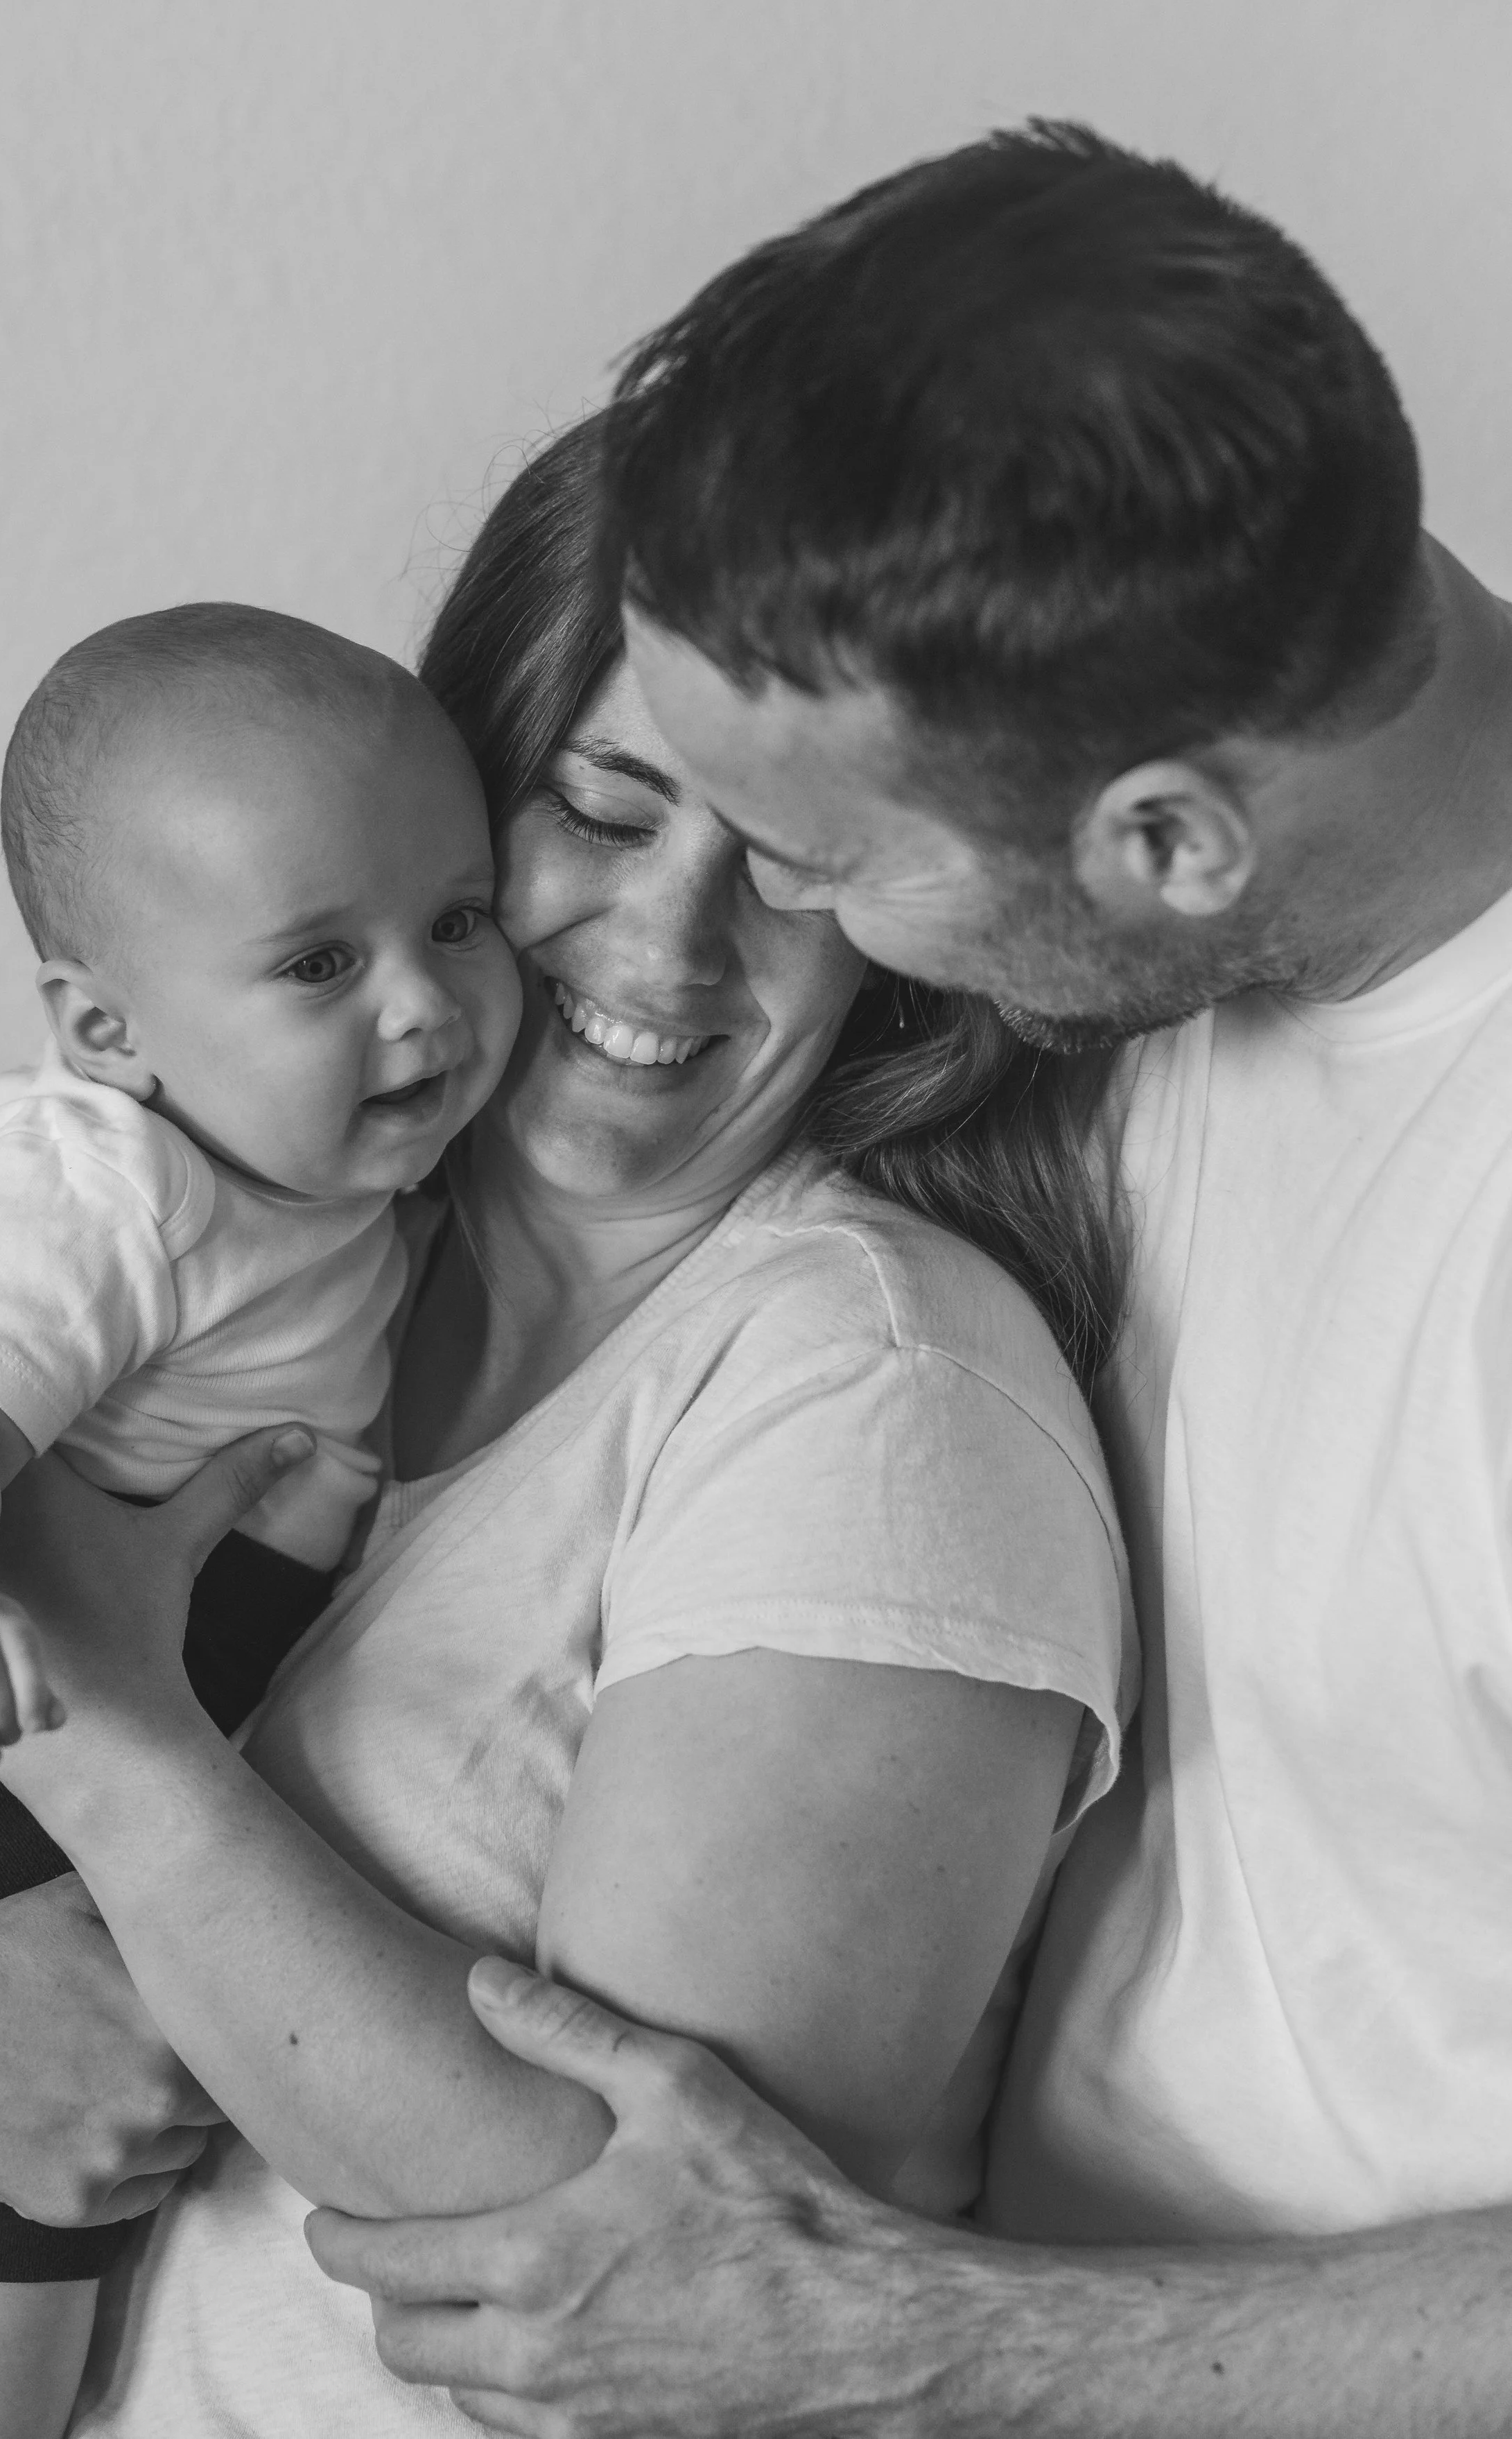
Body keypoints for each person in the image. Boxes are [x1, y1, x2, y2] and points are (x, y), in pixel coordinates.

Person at [301, 124, 1512, 2435]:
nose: (717, 931)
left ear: (1161, 839)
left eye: (802, 857)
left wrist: (939, 2342)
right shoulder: (1153, 950)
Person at [0, 415, 1133, 2438]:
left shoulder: (866, 1392)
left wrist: (103, 1732)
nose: (668, 943)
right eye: (598, 810)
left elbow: (655, 2301)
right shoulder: (252, 1250)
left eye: (784, 856)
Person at [0, 601, 521, 2438]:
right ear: (107, 1027)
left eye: (456, 919)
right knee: (49, 2194)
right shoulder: (111, 1180)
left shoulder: (349, 1171)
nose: (422, 1002)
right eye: (319, 960)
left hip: (19, 1704)